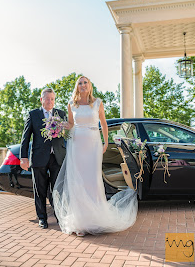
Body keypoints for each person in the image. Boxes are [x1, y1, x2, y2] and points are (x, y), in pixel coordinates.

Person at [53, 76, 138, 236]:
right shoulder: (72, 104)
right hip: (77, 145)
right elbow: (71, 124)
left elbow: (104, 124)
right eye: (80, 83)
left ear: (90, 86)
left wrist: (106, 143)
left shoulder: (97, 102)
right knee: (78, 181)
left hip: (93, 144)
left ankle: (94, 218)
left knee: (92, 181)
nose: (83, 85)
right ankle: (81, 222)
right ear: (77, 87)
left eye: (85, 82)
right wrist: (60, 125)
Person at [20, 88, 66, 229]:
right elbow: (25, 137)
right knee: (39, 189)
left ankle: (59, 216)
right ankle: (42, 218)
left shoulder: (61, 114)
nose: (50, 101)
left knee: (57, 189)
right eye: (47, 99)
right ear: (41, 100)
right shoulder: (33, 114)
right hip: (39, 158)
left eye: (52, 99)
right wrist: (23, 157)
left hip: (57, 157)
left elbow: (68, 134)